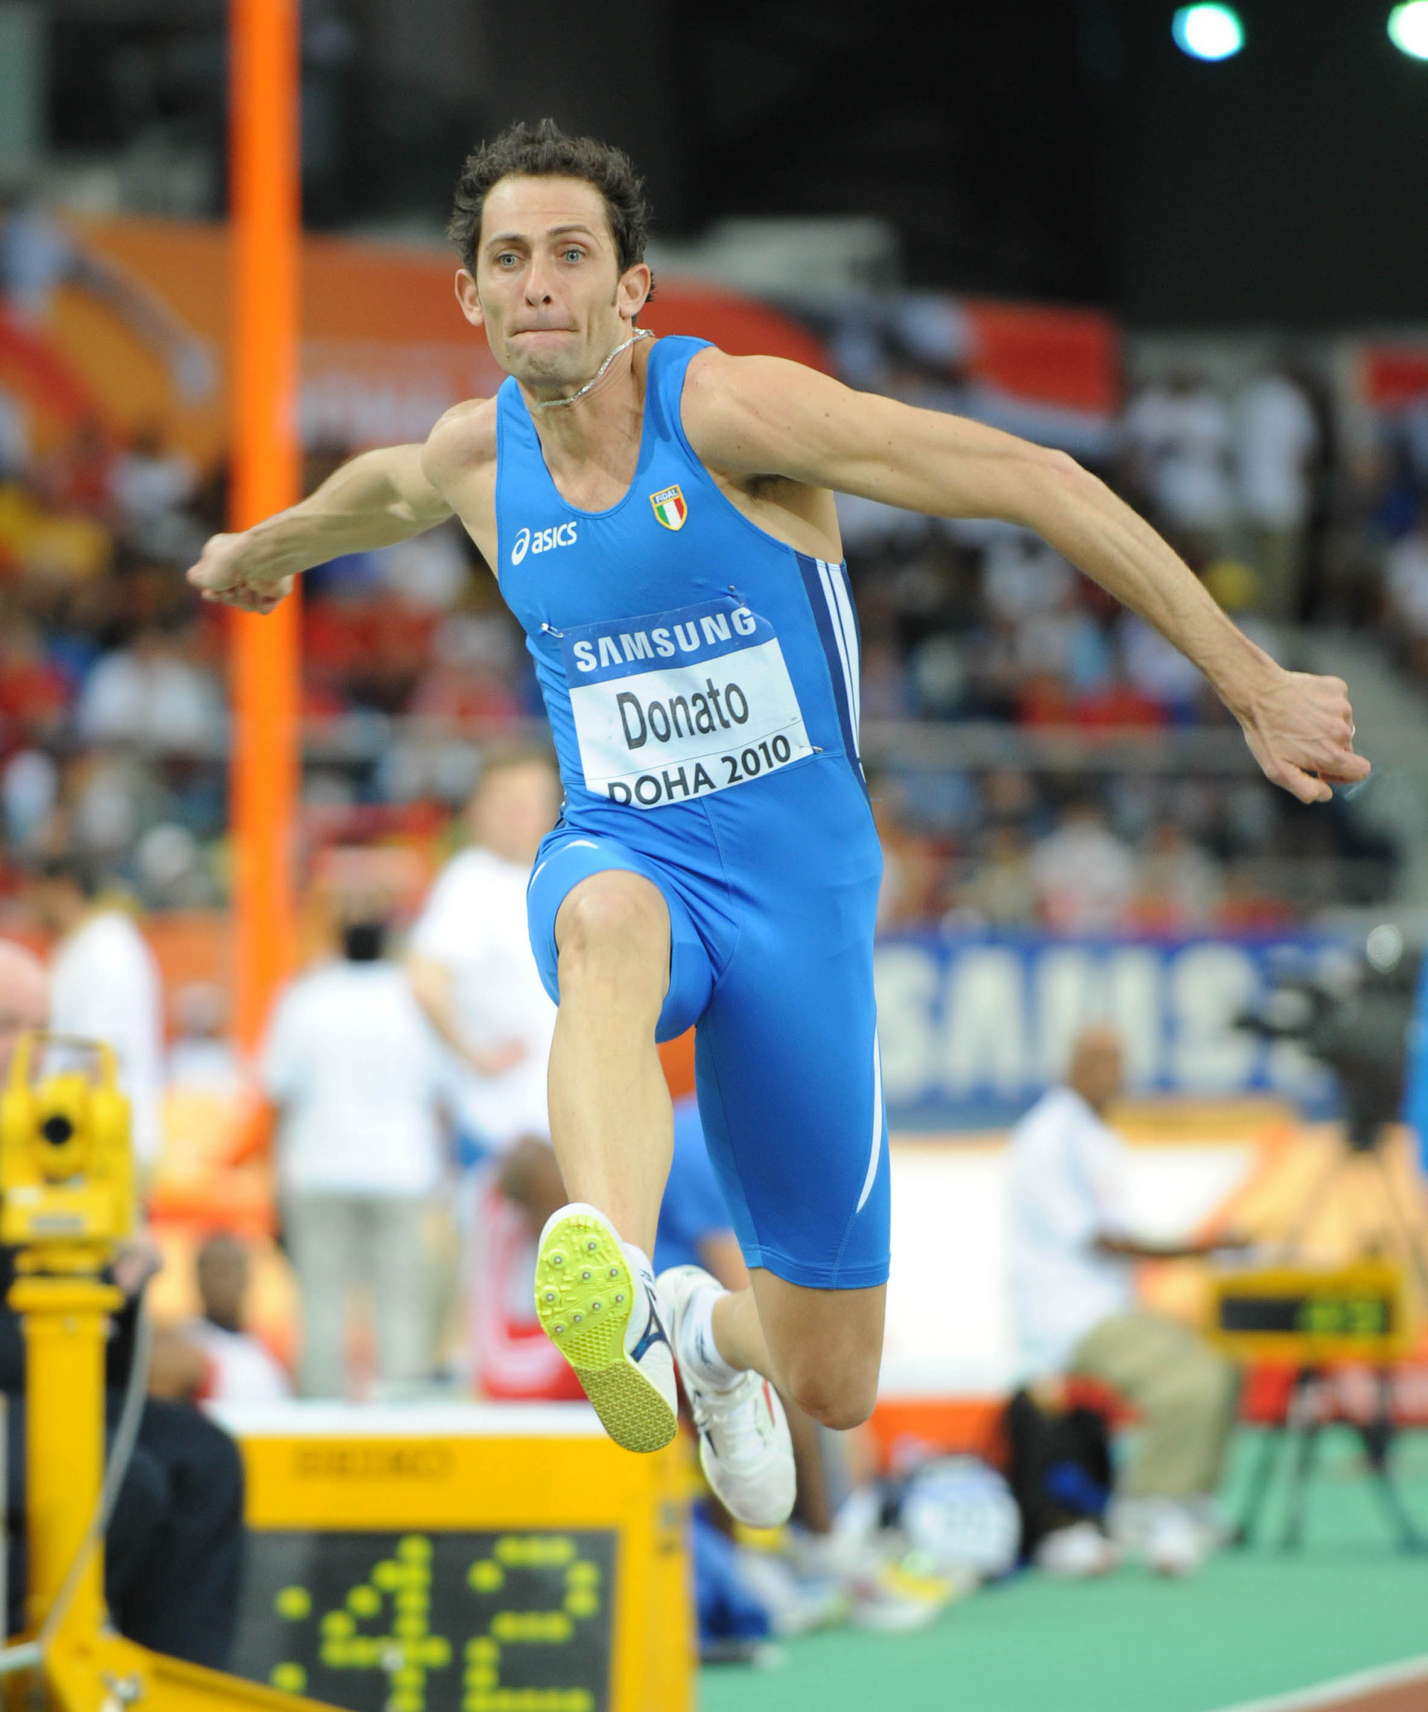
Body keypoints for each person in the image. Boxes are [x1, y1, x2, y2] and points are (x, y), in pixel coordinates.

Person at [186, 119, 1368, 1529]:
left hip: (800, 909)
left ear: (633, 289)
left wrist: (1250, 682)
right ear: (470, 293)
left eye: (571, 253)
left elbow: (1036, 480)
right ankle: (622, 1289)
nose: (538, 281)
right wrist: (263, 548)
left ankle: (703, 1329)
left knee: (832, 1374)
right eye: (508, 258)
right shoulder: (475, 459)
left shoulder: (730, 413)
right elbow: (374, 495)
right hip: (630, 854)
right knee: (602, 923)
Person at [0, 938, 245, 1666]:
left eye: (41, 1028)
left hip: (32, 1392)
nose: (31, 1052)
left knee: (205, 1461)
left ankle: (163, 1683)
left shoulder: (52, 1150)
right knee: (119, 1480)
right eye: (9, 1026)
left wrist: (120, 1286)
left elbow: (107, 1372)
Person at [1005, 1024, 1244, 1574]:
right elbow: (1103, 1240)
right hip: (1069, 1318)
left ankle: (1190, 1497)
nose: (1113, 1074)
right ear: (1071, 1064)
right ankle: (1148, 1503)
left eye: (1118, 1061)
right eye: (1100, 1061)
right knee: (1188, 1382)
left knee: (1223, 1362)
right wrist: (1201, 1249)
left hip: (1110, 1310)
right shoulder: (1048, 1136)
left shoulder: (1095, 1136)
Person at [260, 904, 450, 1398]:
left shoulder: (305, 996)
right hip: (401, 1168)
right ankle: (402, 1404)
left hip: (318, 1165)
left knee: (320, 1298)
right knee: (401, 1299)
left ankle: (321, 1407)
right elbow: (439, 1094)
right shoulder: (411, 998)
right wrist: (444, 1172)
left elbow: (279, 1092)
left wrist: (274, 1176)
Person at [27, 854, 166, 1172]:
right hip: (77, 1136)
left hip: (105, 1140)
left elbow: (101, 1053)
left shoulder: (108, 947)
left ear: (62, 888)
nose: (29, 904)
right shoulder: (75, 947)